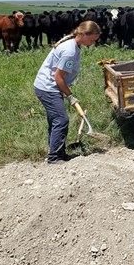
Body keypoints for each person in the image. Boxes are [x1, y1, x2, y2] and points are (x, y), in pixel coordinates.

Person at [34, 21, 101, 164]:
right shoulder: (69, 51)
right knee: (61, 120)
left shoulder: (74, 43)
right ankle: (54, 158)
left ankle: (59, 153)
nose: (94, 43)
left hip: (48, 86)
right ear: (82, 34)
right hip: (48, 88)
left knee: (55, 120)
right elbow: (58, 77)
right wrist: (70, 96)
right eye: (92, 39)